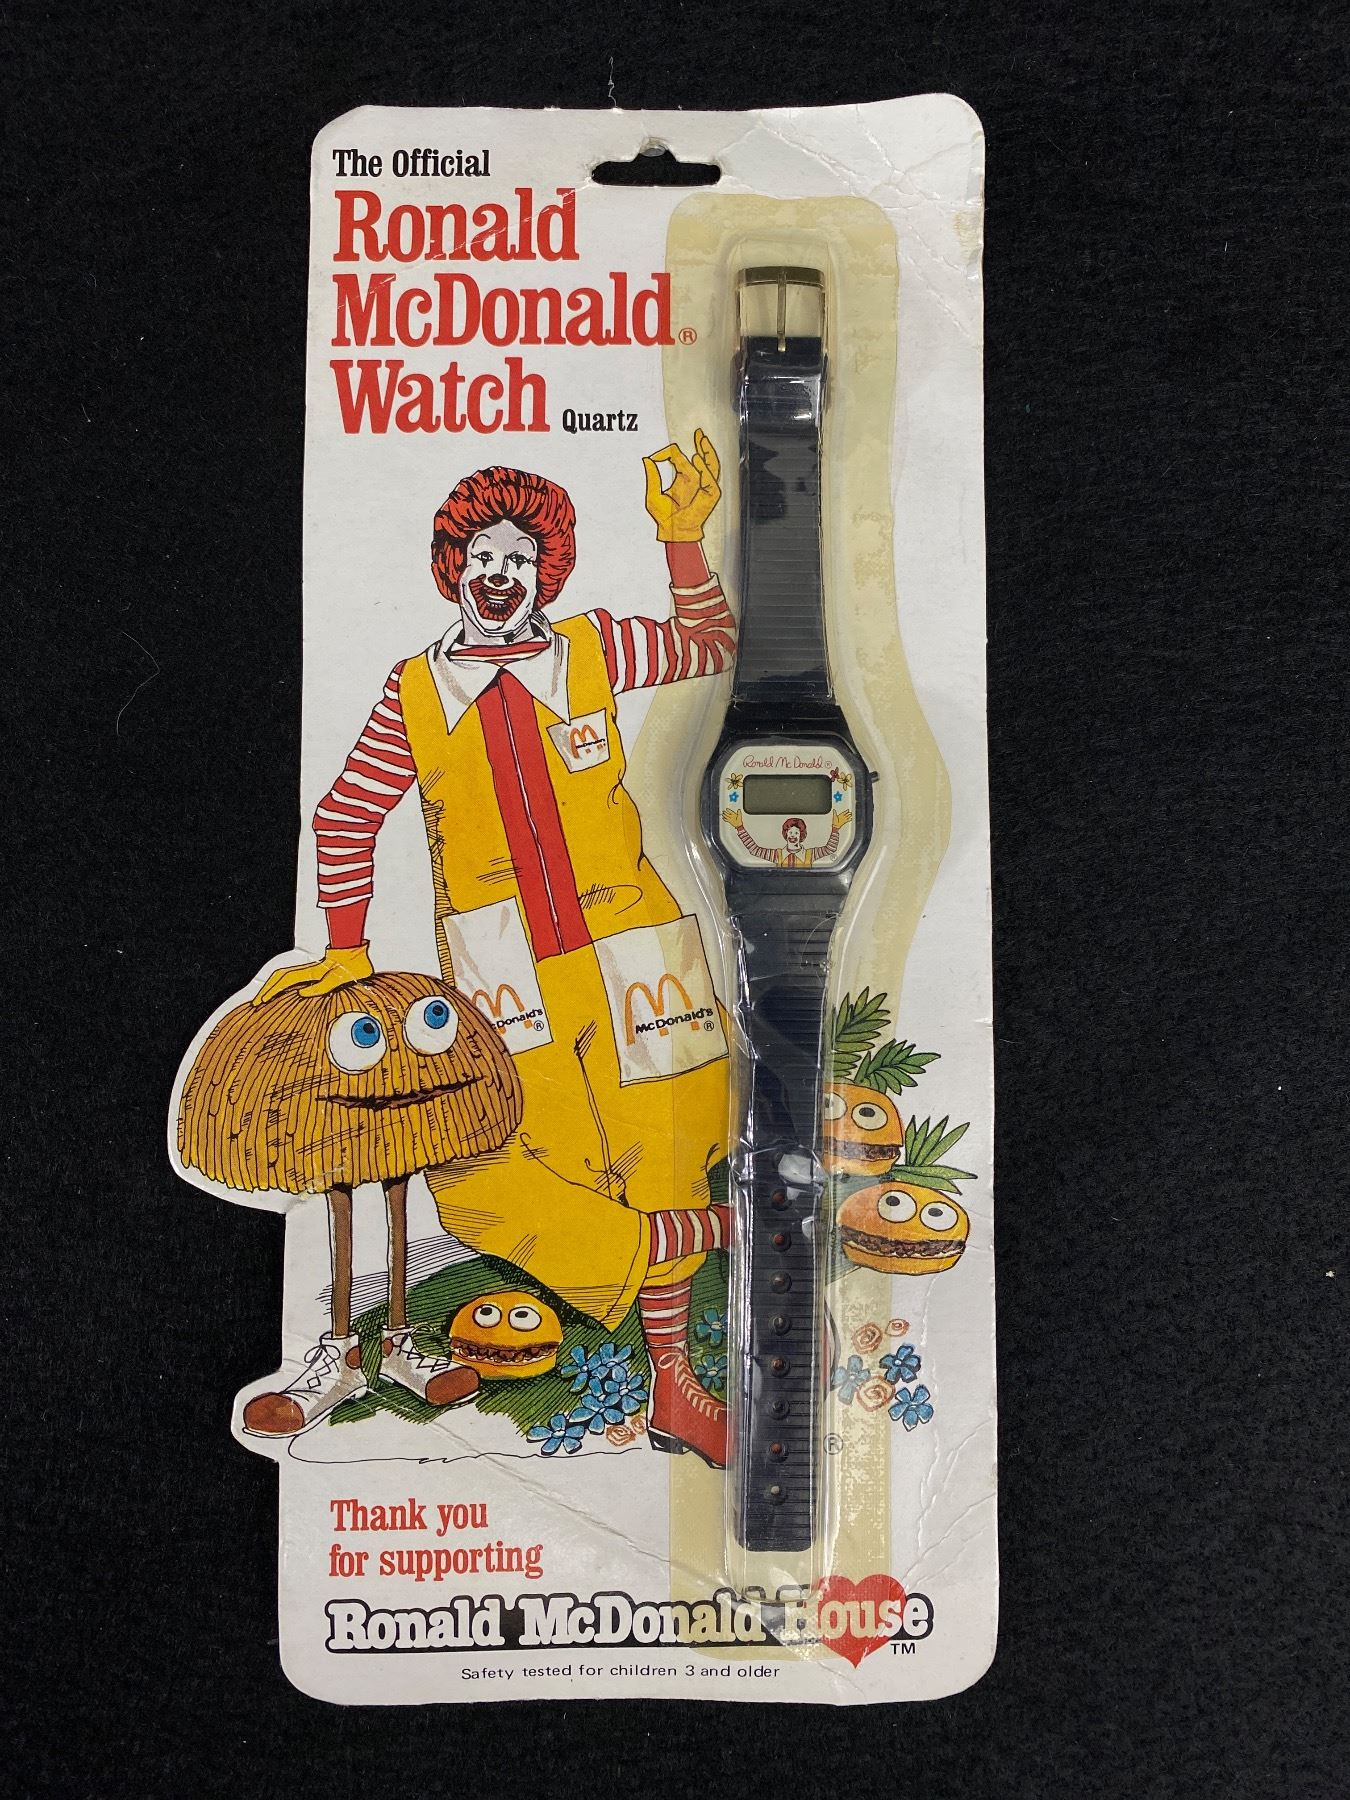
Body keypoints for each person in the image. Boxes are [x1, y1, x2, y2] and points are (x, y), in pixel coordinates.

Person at [258, 436, 737, 1465]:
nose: (498, 574)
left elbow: (708, 643)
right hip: (502, 978)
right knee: (479, 1179)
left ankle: (674, 1388)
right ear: (453, 568)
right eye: (481, 556)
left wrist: (682, 537)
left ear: (545, 572)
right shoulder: (414, 693)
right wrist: (346, 955)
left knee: (662, 1152)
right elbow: (342, 818)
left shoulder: (599, 647)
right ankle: (684, 1242)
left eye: (519, 557)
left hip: (638, 953)